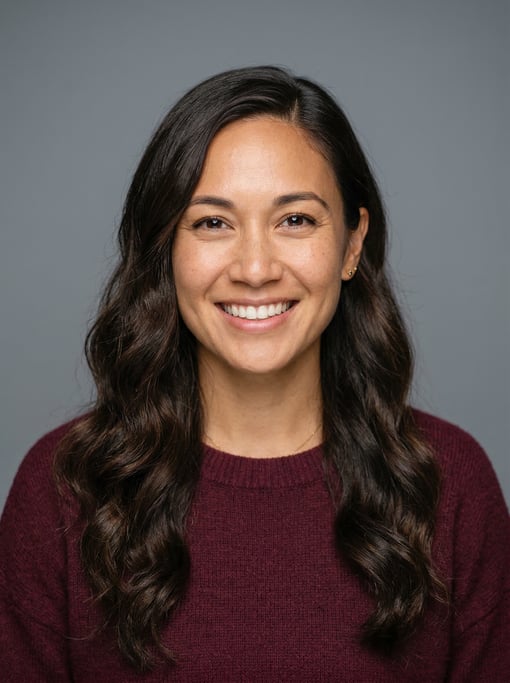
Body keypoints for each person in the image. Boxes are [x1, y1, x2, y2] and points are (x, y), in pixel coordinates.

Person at [0, 66, 508, 682]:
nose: (256, 268)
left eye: (296, 219)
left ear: (352, 245)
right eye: (212, 222)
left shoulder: (452, 488)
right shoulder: (64, 490)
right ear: (166, 249)